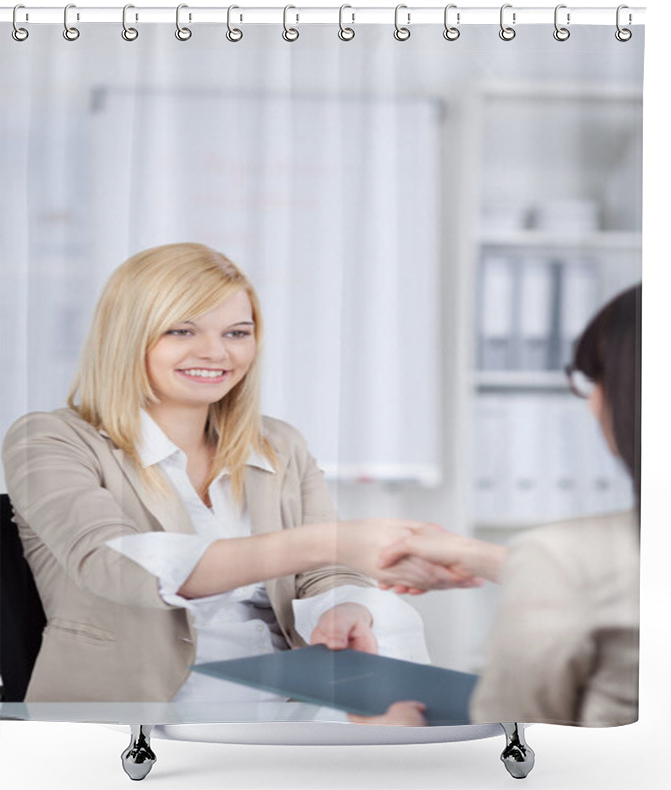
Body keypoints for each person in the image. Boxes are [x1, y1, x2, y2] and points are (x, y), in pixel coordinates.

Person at [1, 243, 472, 704]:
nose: (216, 353)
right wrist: (330, 540)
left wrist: (343, 609)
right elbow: (118, 566)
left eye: (236, 333)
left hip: (287, 709)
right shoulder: (48, 439)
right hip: (137, 719)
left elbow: (327, 571)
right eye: (182, 331)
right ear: (128, 336)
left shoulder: (280, 445)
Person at [364, 284, 642, 727]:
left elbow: (512, 759)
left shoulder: (564, 559)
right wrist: (480, 557)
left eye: (594, 380)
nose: (591, 403)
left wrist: (400, 744)